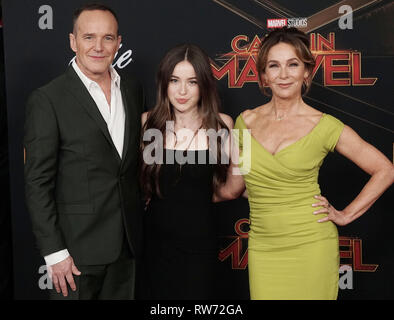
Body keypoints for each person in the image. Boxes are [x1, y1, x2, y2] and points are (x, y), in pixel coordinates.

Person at [220, 27, 394, 299]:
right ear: (264, 76)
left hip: (311, 245)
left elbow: (385, 169)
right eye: (274, 66)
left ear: (306, 72)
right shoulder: (245, 123)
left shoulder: (323, 126)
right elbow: (237, 185)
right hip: (263, 248)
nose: (284, 74)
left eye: (293, 64)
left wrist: (345, 215)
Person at [24, 4, 144, 300]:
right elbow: (37, 182)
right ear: (72, 41)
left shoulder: (131, 88)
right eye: (89, 37)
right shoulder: (48, 99)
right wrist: (54, 252)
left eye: (107, 38)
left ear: (118, 43)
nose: (98, 47)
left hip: (126, 246)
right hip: (75, 254)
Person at [140, 43, 238, 299]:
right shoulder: (148, 123)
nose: (182, 91)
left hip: (201, 245)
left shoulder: (223, 124)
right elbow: (144, 183)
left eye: (192, 82)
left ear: (203, 85)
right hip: (155, 245)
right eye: (174, 80)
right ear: (164, 83)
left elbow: (236, 187)